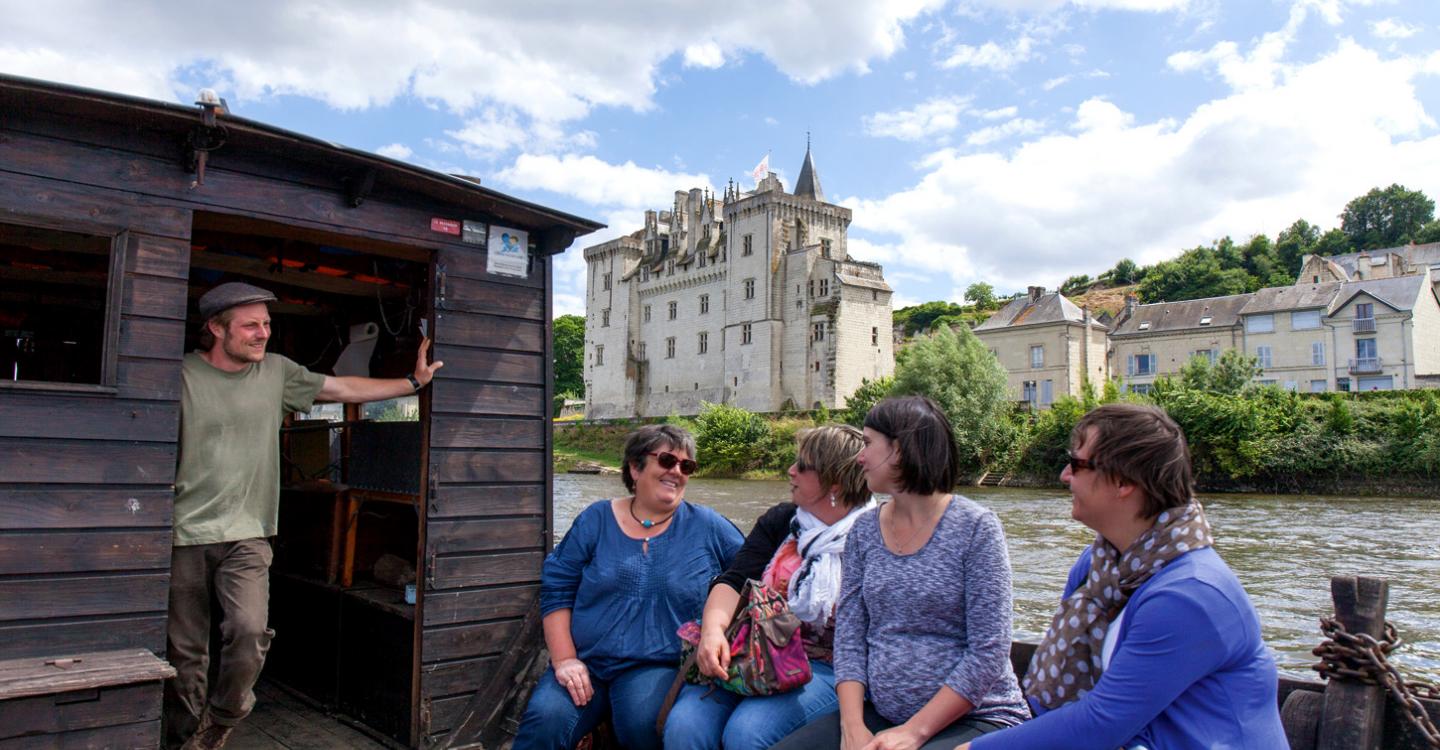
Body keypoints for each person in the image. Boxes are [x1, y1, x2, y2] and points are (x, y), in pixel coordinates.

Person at [165, 282, 444, 750]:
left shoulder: (276, 373)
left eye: (267, 325)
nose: (263, 334)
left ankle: (223, 717)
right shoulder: (179, 375)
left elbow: (343, 387)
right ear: (215, 328)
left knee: (249, 631)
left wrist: (412, 383)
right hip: (181, 532)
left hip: (249, 533)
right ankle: (185, 740)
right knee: (186, 652)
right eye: (251, 325)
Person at [960, 403, 1287, 750]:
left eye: (1077, 464)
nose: (1064, 476)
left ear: (1124, 481)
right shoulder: (1096, 567)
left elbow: (1102, 723)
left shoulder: (1191, 595)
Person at [773, 396, 1029, 750]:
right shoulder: (864, 530)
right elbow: (850, 637)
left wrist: (915, 732)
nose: (859, 456)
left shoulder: (976, 528)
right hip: (882, 715)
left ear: (900, 450)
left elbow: (989, 650)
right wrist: (852, 727)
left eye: (867, 443)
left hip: (975, 718)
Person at [513, 424, 744, 750]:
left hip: (655, 666)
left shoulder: (708, 526)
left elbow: (752, 572)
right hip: (587, 661)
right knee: (544, 721)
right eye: (666, 461)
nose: (677, 472)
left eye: (686, 466)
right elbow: (557, 587)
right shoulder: (596, 519)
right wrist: (565, 660)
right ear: (635, 468)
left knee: (642, 725)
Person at [663, 425, 875, 750]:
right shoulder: (783, 521)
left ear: (835, 482)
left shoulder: (876, 536)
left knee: (748, 733)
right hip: (756, 652)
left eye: (802, 466)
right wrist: (713, 632)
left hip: (830, 668)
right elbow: (733, 581)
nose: (790, 471)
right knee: (684, 726)